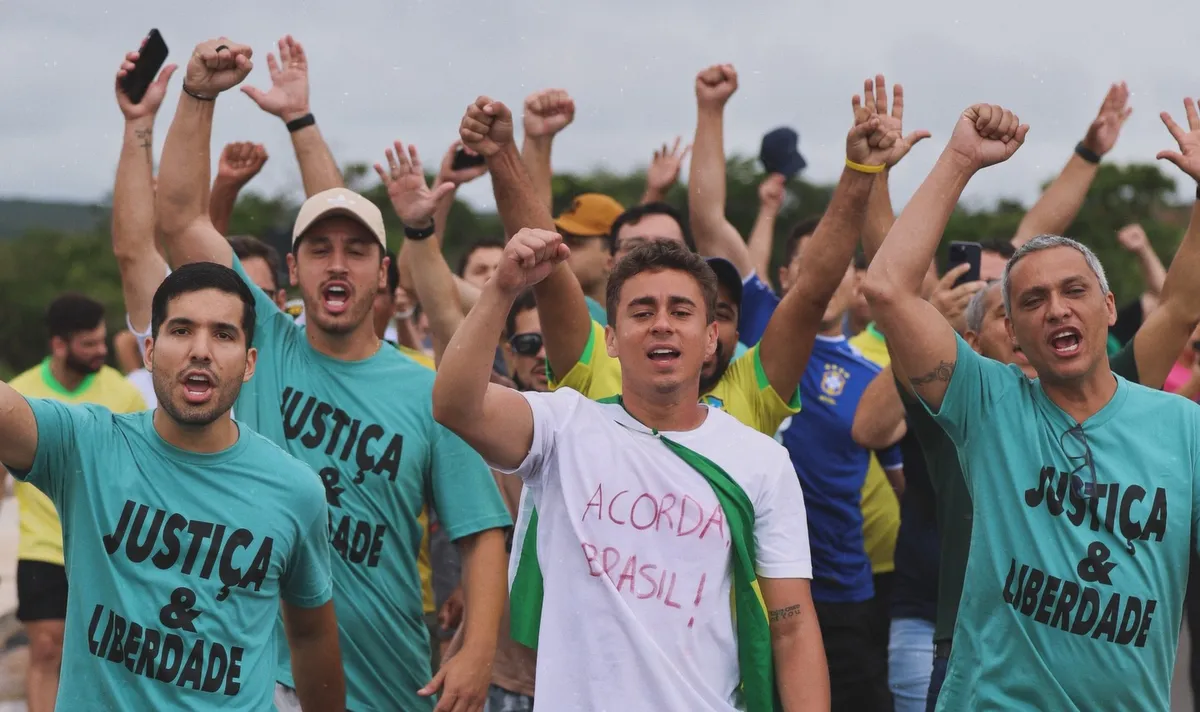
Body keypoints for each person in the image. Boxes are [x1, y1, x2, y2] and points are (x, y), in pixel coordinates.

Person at [154, 38, 511, 712]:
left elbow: (481, 530)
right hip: (255, 671)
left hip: (386, 677)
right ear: (295, 271)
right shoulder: (266, 343)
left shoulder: (429, 389)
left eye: (356, 251)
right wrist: (198, 95)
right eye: (319, 250)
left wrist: (477, 650)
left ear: (384, 273)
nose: (337, 265)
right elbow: (178, 219)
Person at [863, 100, 1200, 711]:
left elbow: (1183, 300)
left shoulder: (1183, 427)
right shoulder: (987, 405)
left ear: (1109, 308)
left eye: (1075, 291)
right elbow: (887, 288)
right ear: (1012, 331)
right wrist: (960, 160)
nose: (1057, 309)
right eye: (1032, 300)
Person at [432, 228, 828, 711]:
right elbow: (455, 405)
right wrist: (501, 289)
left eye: (681, 312)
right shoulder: (563, 427)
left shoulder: (761, 461)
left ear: (710, 340)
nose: (662, 325)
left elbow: (792, 627)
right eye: (642, 313)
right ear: (612, 339)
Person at [0, 263, 343, 710]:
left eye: (223, 334)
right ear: (148, 350)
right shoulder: (86, 447)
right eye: (181, 330)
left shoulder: (297, 490)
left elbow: (312, 633)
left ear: (250, 362)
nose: (200, 350)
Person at [3, 293, 147, 712]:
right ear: (60, 345)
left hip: (107, 549)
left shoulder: (123, 395)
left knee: (112, 657)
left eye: (103, 340)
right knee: (46, 650)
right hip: (43, 546)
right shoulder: (21, 394)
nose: (102, 351)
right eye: (89, 344)